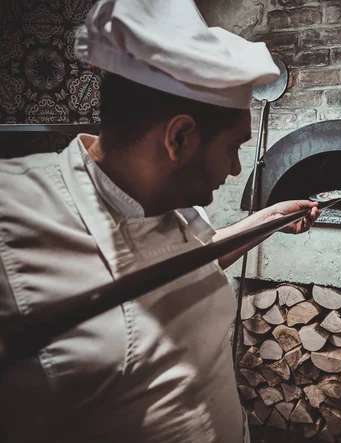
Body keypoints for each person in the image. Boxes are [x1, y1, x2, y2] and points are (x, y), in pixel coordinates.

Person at [0, 1, 319, 442]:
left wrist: (266, 220)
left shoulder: (165, 201)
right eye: (232, 148)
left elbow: (183, 265)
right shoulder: (12, 215)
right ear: (180, 137)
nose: (235, 170)